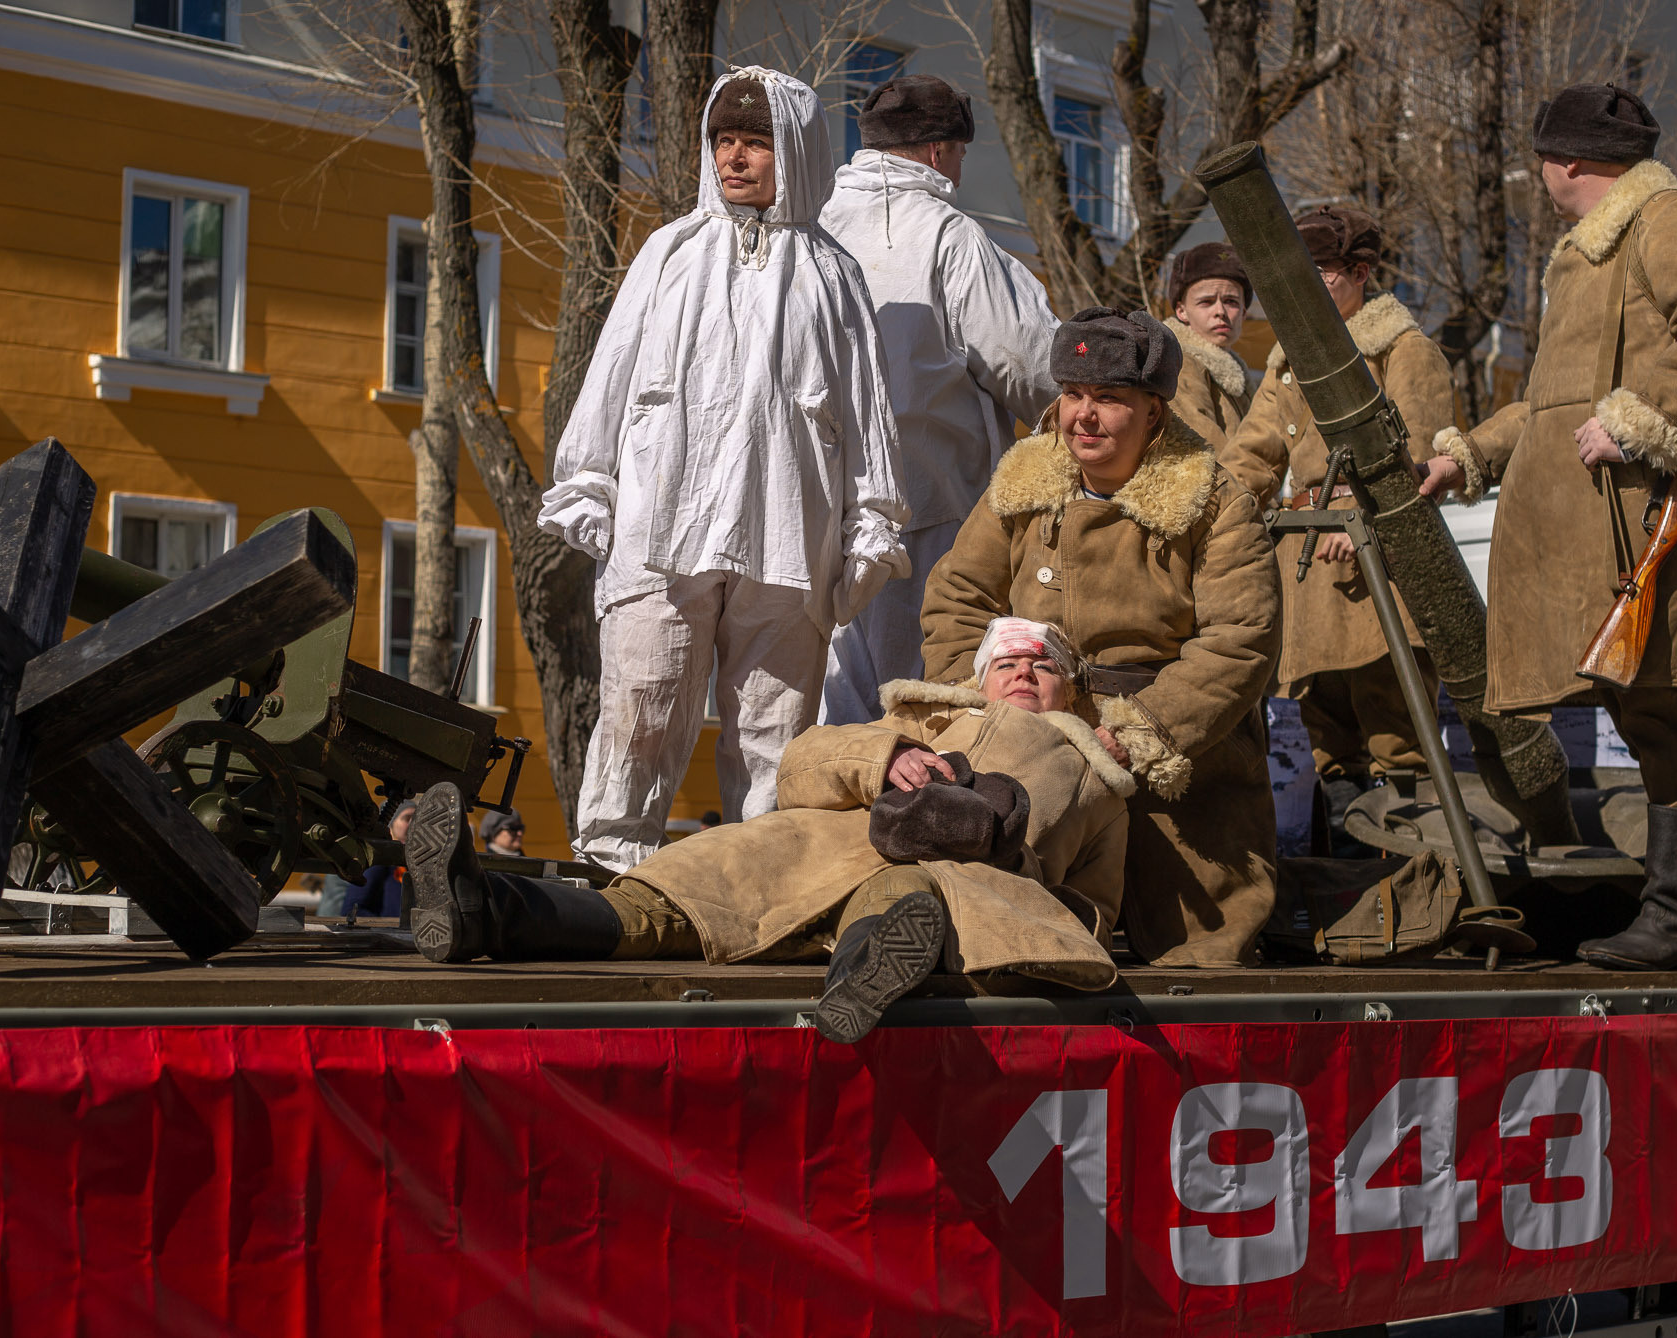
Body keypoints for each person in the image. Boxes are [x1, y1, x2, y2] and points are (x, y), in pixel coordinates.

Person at [1417, 84, 1677, 970]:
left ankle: (1672, 922)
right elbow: (1550, 402)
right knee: (1646, 703)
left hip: (1649, 513)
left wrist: (1638, 417)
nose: (1539, 174)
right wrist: (1470, 455)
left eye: (1542, 159)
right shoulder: (1589, 253)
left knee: (1661, 708)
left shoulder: (1665, 219)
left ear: (1566, 161)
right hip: (1595, 525)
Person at [403, 618, 1132, 1043]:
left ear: (1072, 689)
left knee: (911, 898)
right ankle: (479, 910)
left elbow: (1097, 907)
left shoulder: (1097, 776)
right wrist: (887, 757)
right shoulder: (920, 720)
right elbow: (800, 767)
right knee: (662, 898)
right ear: (978, 679)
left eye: (1045, 666)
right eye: (1008, 661)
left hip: (967, 884)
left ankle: (859, 986)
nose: (1025, 673)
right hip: (810, 856)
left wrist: (1028, 880)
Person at [537, 66, 910, 873]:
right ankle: (611, 870)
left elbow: (868, 411)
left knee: (774, 736)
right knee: (641, 704)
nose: (736, 159)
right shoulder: (669, 253)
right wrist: (589, 482)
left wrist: (870, 522)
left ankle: (755, 891)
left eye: (756, 143)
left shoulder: (833, 275)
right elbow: (611, 374)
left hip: (789, 535)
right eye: (725, 142)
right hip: (660, 531)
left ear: (799, 152)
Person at [923, 309, 1283, 968]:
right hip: (1036, 740)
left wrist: (1139, 731)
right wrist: (979, 709)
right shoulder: (1025, 481)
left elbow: (1242, 638)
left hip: (1178, 767)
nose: (1083, 416)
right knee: (1012, 942)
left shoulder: (1214, 500)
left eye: (1109, 399)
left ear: (1154, 412)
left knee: (1197, 959)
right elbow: (956, 600)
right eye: (1073, 395)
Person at [813, 74, 1062, 726]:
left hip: (815, 514)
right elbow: (1025, 359)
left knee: (834, 712)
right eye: (959, 153)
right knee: (924, 709)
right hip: (925, 507)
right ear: (936, 153)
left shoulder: (814, 227)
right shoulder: (948, 236)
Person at [1221, 206, 1456, 829]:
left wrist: (1356, 511)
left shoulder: (1404, 349)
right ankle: (1353, 884)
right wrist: (1204, 515)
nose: (1306, 286)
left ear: (1361, 272)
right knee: (1326, 728)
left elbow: (1420, 448)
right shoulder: (1287, 363)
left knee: (1396, 722)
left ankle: (1414, 880)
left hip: (1383, 559)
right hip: (1309, 562)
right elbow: (1253, 454)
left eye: (1321, 271)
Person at [1163, 243, 1254, 451]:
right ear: (1181, 311)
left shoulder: (1233, 370)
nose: (1220, 311)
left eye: (1231, 301)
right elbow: (1207, 451)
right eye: (1206, 301)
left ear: (1244, 313)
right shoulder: (1180, 362)